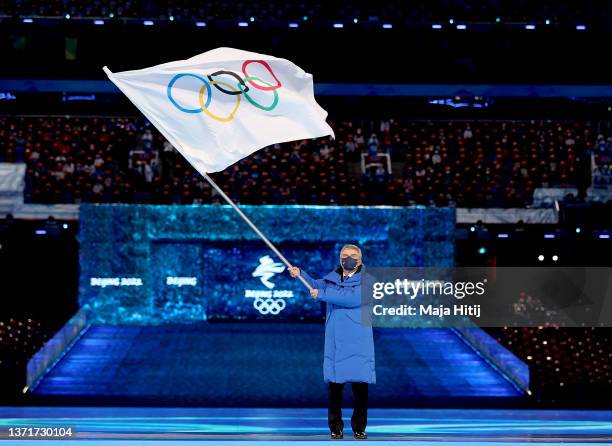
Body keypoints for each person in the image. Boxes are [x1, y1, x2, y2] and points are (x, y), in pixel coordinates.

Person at [288, 244, 375, 440]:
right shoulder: (331, 280)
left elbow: (351, 298)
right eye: (345, 255)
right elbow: (315, 285)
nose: (349, 258)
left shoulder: (367, 282)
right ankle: (336, 427)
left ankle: (359, 427)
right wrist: (300, 273)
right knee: (335, 388)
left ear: (360, 260)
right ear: (339, 258)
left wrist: (322, 295)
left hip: (358, 342)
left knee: (360, 388)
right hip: (336, 342)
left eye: (353, 256)